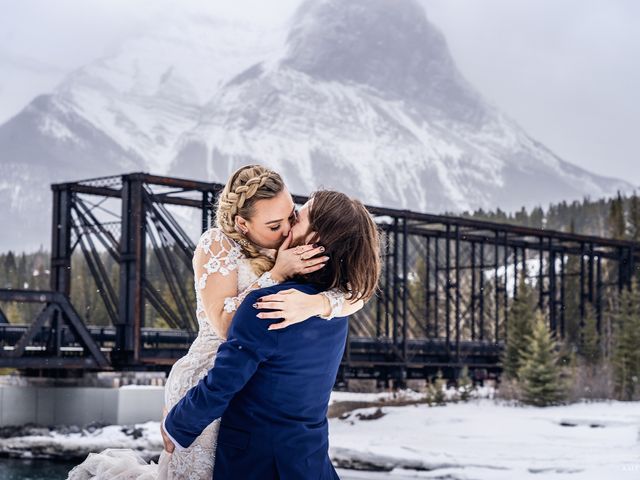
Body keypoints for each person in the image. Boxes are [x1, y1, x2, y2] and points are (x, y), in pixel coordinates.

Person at [68, 166, 365, 479]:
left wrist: (319, 303)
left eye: (292, 216)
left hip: (249, 384)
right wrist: (276, 275)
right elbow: (226, 326)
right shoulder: (218, 245)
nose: (286, 230)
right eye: (275, 224)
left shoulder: (292, 248)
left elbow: (358, 290)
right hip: (209, 377)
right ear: (242, 223)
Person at [162, 190, 382, 479]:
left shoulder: (267, 305)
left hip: (257, 460)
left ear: (314, 240)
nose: (289, 225)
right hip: (308, 458)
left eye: (298, 218)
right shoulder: (334, 310)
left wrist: (177, 425)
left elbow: (224, 382)